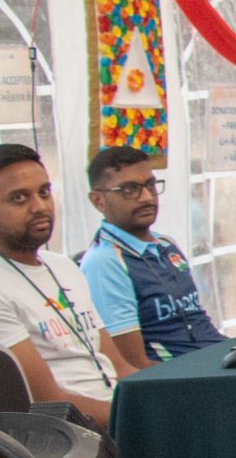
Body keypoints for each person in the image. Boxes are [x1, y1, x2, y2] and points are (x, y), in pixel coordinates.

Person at [0, 144, 140, 429]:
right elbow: (47, 403)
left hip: (116, 415)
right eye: (19, 198)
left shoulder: (63, 267)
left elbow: (119, 368)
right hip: (71, 437)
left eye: (44, 192)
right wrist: (143, 419)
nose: (40, 207)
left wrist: (162, 401)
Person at [81, 145, 225, 367]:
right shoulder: (105, 262)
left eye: (150, 185)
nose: (147, 198)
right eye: (129, 189)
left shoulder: (166, 245)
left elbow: (198, 321)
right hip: (181, 378)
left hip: (216, 359)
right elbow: (134, 365)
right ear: (98, 201)